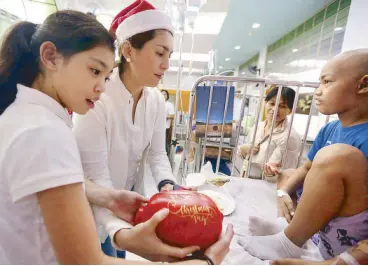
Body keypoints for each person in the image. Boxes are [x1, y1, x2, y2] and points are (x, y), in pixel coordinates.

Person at [0, 9, 234, 265]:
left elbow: (54, 180)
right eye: (94, 70)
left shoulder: (24, 116)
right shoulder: (48, 130)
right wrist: (202, 263)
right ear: (50, 57)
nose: (100, 86)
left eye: (105, 75)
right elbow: (88, 261)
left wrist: (116, 196)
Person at [73, 0, 187, 259]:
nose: (166, 64)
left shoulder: (156, 101)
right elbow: (96, 177)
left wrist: (167, 185)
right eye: (160, 53)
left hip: (125, 208)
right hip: (91, 209)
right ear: (128, 50)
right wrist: (121, 232)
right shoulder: (97, 99)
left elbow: (158, 155)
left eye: (170, 55)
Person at [238, 49, 368, 261]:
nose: (318, 91)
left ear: (363, 85)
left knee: (335, 157)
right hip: (319, 225)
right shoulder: (330, 129)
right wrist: (284, 193)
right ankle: (285, 226)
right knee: (289, 174)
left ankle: (288, 243)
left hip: (345, 234)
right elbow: (306, 168)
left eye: (327, 82)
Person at [238, 86, 300, 181]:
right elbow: (244, 158)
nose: (274, 109)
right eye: (272, 103)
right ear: (265, 103)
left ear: (290, 111)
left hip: (268, 188)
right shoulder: (257, 127)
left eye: (282, 106)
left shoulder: (289, 137)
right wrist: (242, 150)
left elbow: (286, 174)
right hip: (246, 181)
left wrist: (271, 173)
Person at [161, 89, 175, 153]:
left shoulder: (169, 105)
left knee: (164, 144)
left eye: (165, 94)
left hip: (165, 128)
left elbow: (172, 116)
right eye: (162, 94)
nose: (163, 95)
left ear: (167, 96)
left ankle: (166, 157)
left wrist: (164, 117)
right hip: (156, 127)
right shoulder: (157, 104)